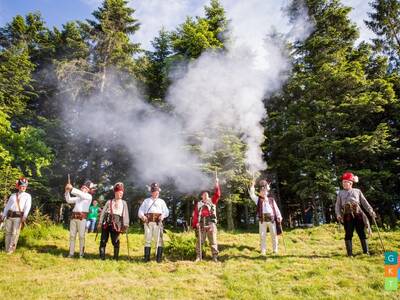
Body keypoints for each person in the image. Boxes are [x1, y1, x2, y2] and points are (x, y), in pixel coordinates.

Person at [335, 172, 376, 256]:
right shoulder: (340, 193)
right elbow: (337, 205)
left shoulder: (357, 191)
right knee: (348, 233)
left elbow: (364, 202)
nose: (344, 184)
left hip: (358, 214)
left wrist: (370, 211)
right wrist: (338, 214)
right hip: (347, 215)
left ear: (351, 183)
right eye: (343, 182)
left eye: (345, 182)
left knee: (361, 232)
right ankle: (350, 254)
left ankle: (366, 252)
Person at [249, 179, 282, 255]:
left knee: (274, 235)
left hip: (272, 219)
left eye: (265, 191)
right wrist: (252, 186)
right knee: (262, 236)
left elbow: (276, 209)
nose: (263, 192)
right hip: (262, 220)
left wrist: (279, 216)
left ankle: (275, 250)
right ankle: (263, 251)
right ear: (260, 192)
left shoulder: (271, 200)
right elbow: (252, 195)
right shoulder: (258, 200)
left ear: (267, 192)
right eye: (262, 191)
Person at [191, 177, 221, 262]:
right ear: (201, 196)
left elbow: (218, 194)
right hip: (201, 224)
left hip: (211, 223)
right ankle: (198, 256)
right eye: (204, 194)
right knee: (200, 242)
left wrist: (217, 184)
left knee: (213, 241)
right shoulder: (199, 204)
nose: (206, 195)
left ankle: (215, 257)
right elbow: (196, 215)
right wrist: (196, 223)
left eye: (207, 193)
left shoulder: (212, 200)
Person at [138, 182, 169, 263]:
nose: (156, 193)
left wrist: (163, 216)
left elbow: (166, 212)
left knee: (159, 240)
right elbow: (140, 211)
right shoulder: (146, 201)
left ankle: (158, 259)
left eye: (157, 191)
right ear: (152, 192)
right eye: (155, 191)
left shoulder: (161, 201)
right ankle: (146, 258)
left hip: (158, 223)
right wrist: (143, 216)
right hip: (148, 223)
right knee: (147, 240)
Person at [98, 182, 129, 260]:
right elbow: (103, 212)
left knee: (115, 241)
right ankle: (102, 257)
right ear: (115, 193)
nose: (120, 194)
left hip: (117, 223)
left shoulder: (124, 203)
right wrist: (100, 222)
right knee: (103, 239)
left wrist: (126, 224)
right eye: (119, 193)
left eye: (122, 193)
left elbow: (126, 214)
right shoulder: (109, 202)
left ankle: (115, 257)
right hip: (106, 222)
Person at [1, 177, 32, 254]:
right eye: (22, 186)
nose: (23, 187)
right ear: (18, 186)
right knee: (8, 233)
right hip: (9, 216)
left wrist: (24, 216)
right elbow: (7, 206)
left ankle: (11, 250)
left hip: (18, 217)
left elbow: (27, 207)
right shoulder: (13, 195)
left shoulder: (27, 196)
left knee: (15, 233)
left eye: (25, 186)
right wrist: (3, 215)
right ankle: (6, 248)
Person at [64, 180, 94, 258]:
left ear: (88, 190)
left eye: (85, 188)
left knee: (81, 236)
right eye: (83, 188)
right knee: (72, 236)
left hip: (82, 219)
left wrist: (72, 188)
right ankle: (71, 253)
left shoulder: (88, 197)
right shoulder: (78, 198)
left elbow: (82, 195)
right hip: (73, 218)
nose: (83, 189)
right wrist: (67, 191)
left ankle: (81, 254)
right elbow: (68, 200)